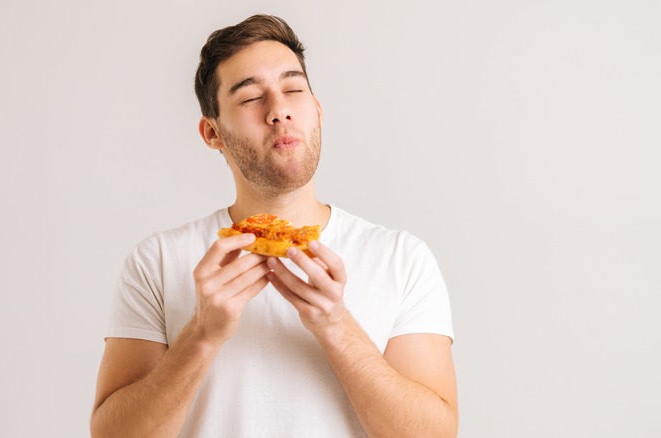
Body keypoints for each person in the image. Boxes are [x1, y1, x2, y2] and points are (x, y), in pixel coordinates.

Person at [91, 14, 457, 438]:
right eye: (250, 98)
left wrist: (337, 326)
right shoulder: (157, 261)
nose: (279, 110)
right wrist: (201, 338)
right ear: (213, 133)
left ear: (317, 111)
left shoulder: (402, 259)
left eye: (293, 89)